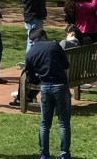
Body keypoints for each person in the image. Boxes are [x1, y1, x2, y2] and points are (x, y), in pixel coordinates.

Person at [23, 28, 71, 159]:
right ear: (44, 36)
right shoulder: (54, 45)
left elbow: (30, 76)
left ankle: (44, 154)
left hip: (45, 87)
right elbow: (66, 65)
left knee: (45, 123)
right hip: (60, 85)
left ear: (31, 40)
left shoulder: (30, 53)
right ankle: (64, 154)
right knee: (63, 122)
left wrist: (39, 80)